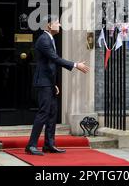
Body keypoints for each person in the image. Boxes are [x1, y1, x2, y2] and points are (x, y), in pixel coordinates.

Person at [25, 15, 90, 156]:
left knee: (52, 113)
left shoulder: (50, 39)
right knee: (43, 113)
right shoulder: (44, 40)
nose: (59, 25)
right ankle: (31, 145)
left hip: (48, 83)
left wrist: (54, 84)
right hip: (43, 83)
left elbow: (50, 64)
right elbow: (54, 59)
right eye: (57, 23)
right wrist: (75, 65)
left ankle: (49, 144)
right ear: (49, 25)